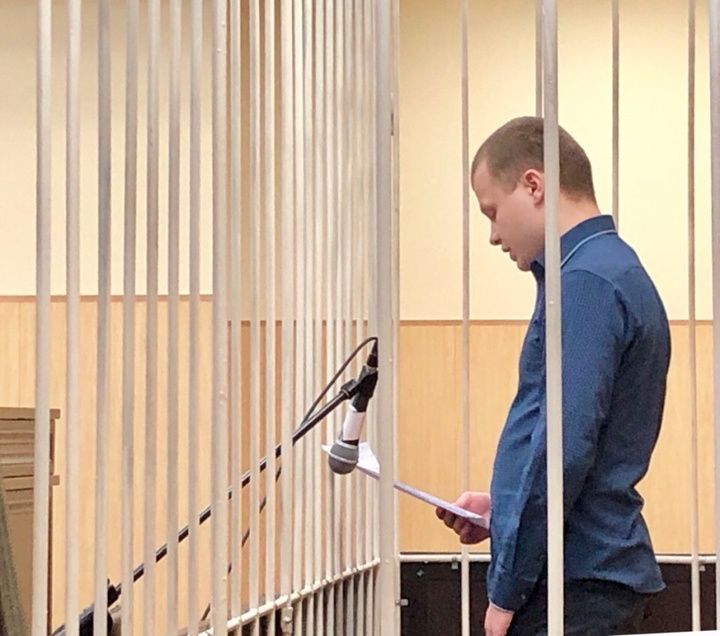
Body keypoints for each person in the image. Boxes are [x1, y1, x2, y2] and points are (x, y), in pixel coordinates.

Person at [436, 117, 670, 636]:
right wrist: (505, 511)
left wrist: (506, 590)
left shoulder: (585, 282)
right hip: (590, 574)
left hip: (574, 587)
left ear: (533, 185)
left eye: (492, 211)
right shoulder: (610, 269)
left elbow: (562, 450)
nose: (493, 235)